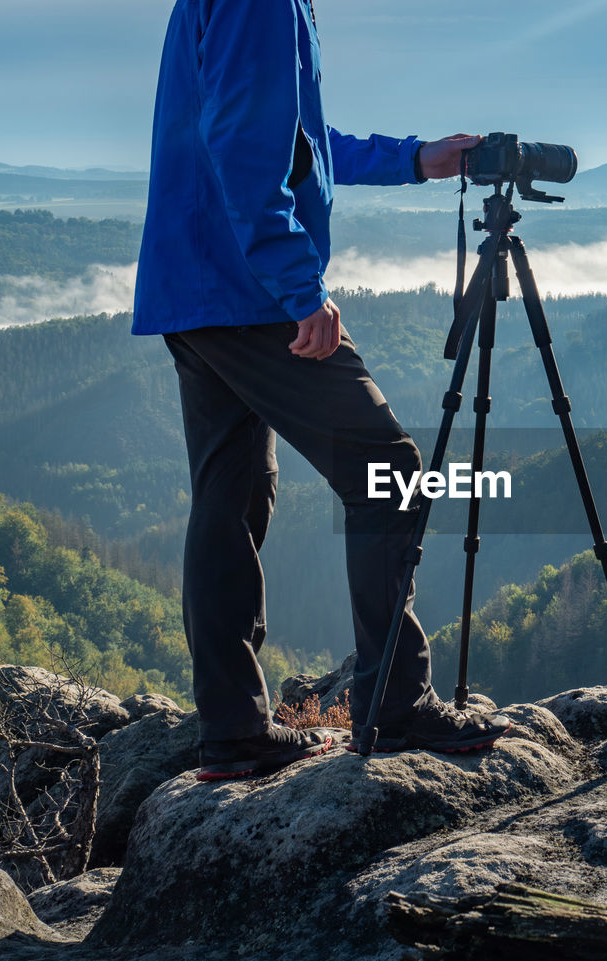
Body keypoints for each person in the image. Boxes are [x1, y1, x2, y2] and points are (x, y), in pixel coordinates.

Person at [133, 0, 512, 780]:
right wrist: (299, 287)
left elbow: (295, 144)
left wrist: (416, 158)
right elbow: (244, 148)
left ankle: (234, 733)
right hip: (246, 290)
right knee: (390, 468)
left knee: (231, 497)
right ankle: (395, 704)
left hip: (196, 284)